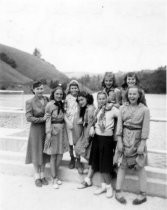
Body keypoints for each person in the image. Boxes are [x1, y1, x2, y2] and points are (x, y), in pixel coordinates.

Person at [114, 85, 150, 205]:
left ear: (139, 95)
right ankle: (118, 191)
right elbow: (119, 126)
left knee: (140, 166)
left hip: (138, 140)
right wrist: (119, 141)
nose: (132, 96)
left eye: (134, 94)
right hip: (124, 139)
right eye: (130, 94)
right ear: (127, 95)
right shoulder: (122, 108)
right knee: (122, 165)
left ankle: (143, 193)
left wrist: (142, 144)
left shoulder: (145, 109)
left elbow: (145, 129)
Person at [88, 91, 119, 198]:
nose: (101, 100)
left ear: (107, 99)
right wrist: (92, 127)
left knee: (105, 164)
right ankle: (103, 186)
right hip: (97, 139)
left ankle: (109, 187)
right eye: (99, 98)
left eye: (103, 98)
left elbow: (121, 118)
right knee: (98, 163)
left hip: (107, 140)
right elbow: (93, 121)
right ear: (97, 100)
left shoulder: (113, 109)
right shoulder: (98, 110)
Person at [43, 85, 68, 189]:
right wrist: (48, 132)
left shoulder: (63, 104)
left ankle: (55, 175)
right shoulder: (49, 105)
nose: (59, 95)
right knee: (53, 155)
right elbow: (47, 119)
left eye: (61, 94)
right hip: (53, 130)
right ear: (53, 94)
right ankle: (54, 178)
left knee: (60, 154)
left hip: (62, 130)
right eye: (57, 94)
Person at [25, 81, 49, 187]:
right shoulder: (29, 101)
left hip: (46, 129)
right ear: (33, 90)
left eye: (41, 88)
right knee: (36, 151)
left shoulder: (47, 99)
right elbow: (28, 117)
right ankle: (37, 176)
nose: (40, 90)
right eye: (38, 89)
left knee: (44, 151)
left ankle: (43, 175)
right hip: (36, 129)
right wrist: (41, 119)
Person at [74, 91, 95, 174]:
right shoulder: (86, 108)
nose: (80, 102)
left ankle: (93, 166)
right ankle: (92, 166)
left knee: (80, 148)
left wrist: (87, 138)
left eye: (82, 100)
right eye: (79, 100)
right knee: (83, 150)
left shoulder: (90, 109)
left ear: (87, 99)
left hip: (89, 132)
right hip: (86, 130)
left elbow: (90, 123)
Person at [65, 80, 82, 169]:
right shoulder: (67, 98)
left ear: (78, 88)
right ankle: (72, 158)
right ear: (69, 89)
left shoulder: (81, 97)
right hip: (69, 122)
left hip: (78, 122)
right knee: (70, 142)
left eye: (75, 88)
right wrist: (67, 121)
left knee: (77, 142)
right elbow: (64, 111)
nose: (74, 89)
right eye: (72, 88)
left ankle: (78, 160)